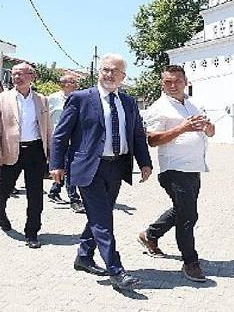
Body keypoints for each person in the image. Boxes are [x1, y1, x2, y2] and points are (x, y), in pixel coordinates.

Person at [50, 53, 152, 289]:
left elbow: (137, 134)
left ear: (123, 76)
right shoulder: (80, 98)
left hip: (117, 167)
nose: (109, 74)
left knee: (98, 216)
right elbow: (61, 135)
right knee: (103, 220)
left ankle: (84, 257)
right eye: (105, 69)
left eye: (114, 71)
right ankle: (115, 270)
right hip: (88, 168)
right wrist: (56, 165)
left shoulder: (127, 101)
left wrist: (144, 162)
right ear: (99, 72)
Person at [137, 65, 215, 283]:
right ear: (162, 83)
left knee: (181, 209)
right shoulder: (158, 107)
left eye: (177, 81)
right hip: (173, 169)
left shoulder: (193, 104)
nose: (173, 85)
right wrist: (182, 128)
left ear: (186, 81)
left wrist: (208, 128)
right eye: (168, 82)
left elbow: (210, 131)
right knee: (189, 215)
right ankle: (190, 262)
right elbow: (152, 140)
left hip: (194, 168)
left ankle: (150, 235)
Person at [0, 62, 52, 249]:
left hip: (35, 151)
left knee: (35, 194)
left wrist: (51, 153)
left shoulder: (41, 99)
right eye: (14, 74)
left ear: (32, 76)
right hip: (10, 150)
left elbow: (47, 128)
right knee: (3, 190)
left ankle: (32, 232)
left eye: (21, 74)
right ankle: (0, 214)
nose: (17, 77)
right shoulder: (1, 99)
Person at [46, 73, 85, 213]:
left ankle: (54, 191)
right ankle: (74, 199)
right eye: (72, 81)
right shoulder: (52, 99)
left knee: (69, 168)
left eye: (75, 82)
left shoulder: (81, 98)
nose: (76, 84)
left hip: (75, 140)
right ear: (63, 84)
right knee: (68, 169)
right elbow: (44, 119)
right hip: (58, 140)